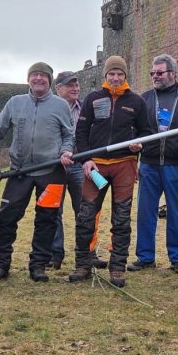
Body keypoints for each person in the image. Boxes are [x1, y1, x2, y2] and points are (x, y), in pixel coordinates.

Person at [0, 62, 74, 283]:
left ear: (50, 80)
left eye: (43, 75)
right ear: (28, 79)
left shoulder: (61, 106)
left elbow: (69, 135)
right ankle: (1, 264)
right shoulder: (15, 103)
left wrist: (66, 150)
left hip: (51, 171)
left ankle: (38, 265)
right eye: (35, 75)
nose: (39, 79)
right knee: (6, 217)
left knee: (47, 219)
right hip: (19, 171)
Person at [68, 56, 150, 288]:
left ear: (125, 76)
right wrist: (85, 159)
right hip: (96, 165)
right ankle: (83, 264)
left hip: (124, 163)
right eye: (111, 74)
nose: (115, 78)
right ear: (105, 76)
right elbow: (81, 132)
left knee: (121, 219)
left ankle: (117, 268)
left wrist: (139, 144)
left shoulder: (136, 101)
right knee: (86, 217)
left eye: (119, 74)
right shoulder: (94, 99)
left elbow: (147, 132)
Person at [128, 54, 178, 274]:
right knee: (146, 212)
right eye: (152, 73)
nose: (155, 76)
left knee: (177, 213)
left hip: (175, 165)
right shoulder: (143, 99)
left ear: (173, 74)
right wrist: (135, 155)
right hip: (149, 164)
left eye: (159, 73)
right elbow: (134, 132)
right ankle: (145, 257)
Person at [49, 71, 108, 271]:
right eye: (69, 85)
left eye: (76, 85)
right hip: (55, 166)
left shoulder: (85, 108)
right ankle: (54, 255)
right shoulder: (50, 108)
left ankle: (88, 253)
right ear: (58, 88)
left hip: (79, 166)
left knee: (85, 211)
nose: (75, 88)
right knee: (53, 210)